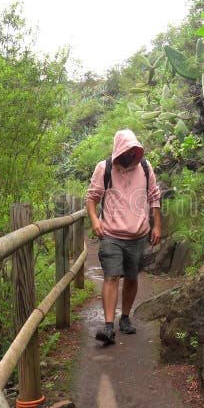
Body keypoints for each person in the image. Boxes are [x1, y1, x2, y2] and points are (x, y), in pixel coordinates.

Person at [85, 129, 162, 345]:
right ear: (119, 149)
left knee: (131, 277)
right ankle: (108, 327)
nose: (129, 155)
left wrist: (157, 225)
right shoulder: (105, 168)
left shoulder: (145, 168)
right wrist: (94, 221)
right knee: (110, 276)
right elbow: (91, 198)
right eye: (126, 150)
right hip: (111, 234)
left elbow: (154, 196)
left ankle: (125, 318)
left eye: (133, 151)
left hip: (138, 235)